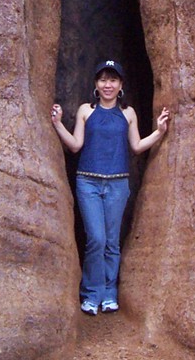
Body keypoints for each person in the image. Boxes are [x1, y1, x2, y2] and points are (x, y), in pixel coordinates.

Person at [51, 59, 170, 316]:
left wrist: (159, 132)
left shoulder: (128, 114)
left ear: (121, 85)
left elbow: (136, 146)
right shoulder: (86, 110)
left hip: (117, 183)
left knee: (112, 242)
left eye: (113, 80)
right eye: (103, 79)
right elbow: (75, 145)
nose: (108, 85)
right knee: (96, 239)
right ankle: (91, 294)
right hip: (88, 182)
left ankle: (109, 293)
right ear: (96, 84)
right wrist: (59, 123)